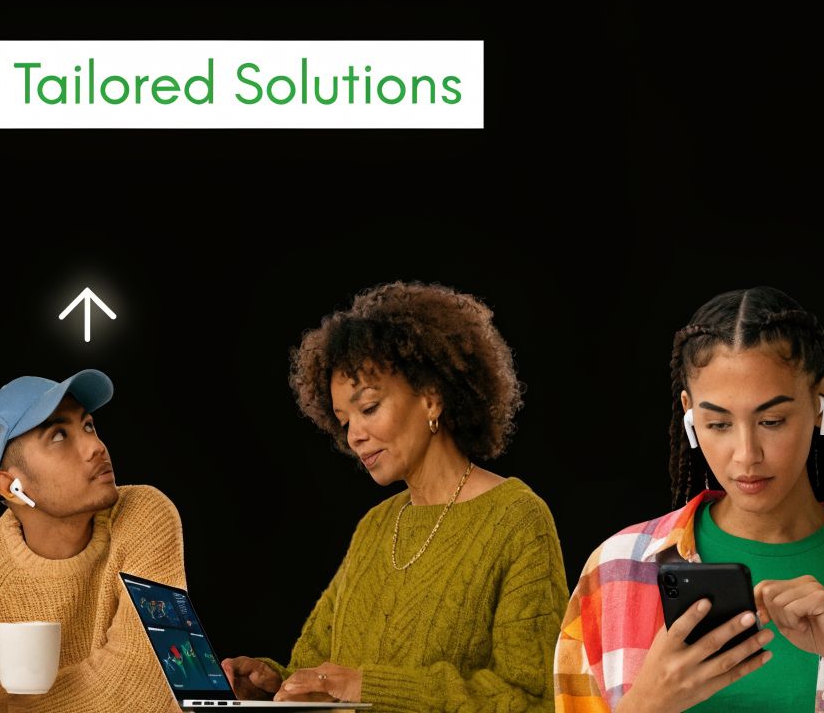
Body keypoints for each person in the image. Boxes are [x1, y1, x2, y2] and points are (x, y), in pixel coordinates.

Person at [554, 287, 824, 713]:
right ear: (689, 415)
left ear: (821, 402)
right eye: (717, 423)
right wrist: (647, 703)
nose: (746, 454)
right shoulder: (614, 573)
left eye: (771, 420)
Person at [222, 282, 569, 712]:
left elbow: (534, 699)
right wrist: (276, 684)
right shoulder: (376, 526)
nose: (354, 436)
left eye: (368, 408)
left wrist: (371, 688)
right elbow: (320, 673)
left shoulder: (517, 517)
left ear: (431, 398)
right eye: (343, 420)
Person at [0, 370, 187, 712]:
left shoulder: (143, 514)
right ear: (10, 486)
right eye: (59, 436)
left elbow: (145, 684)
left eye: (88, 425)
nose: (96, 447)